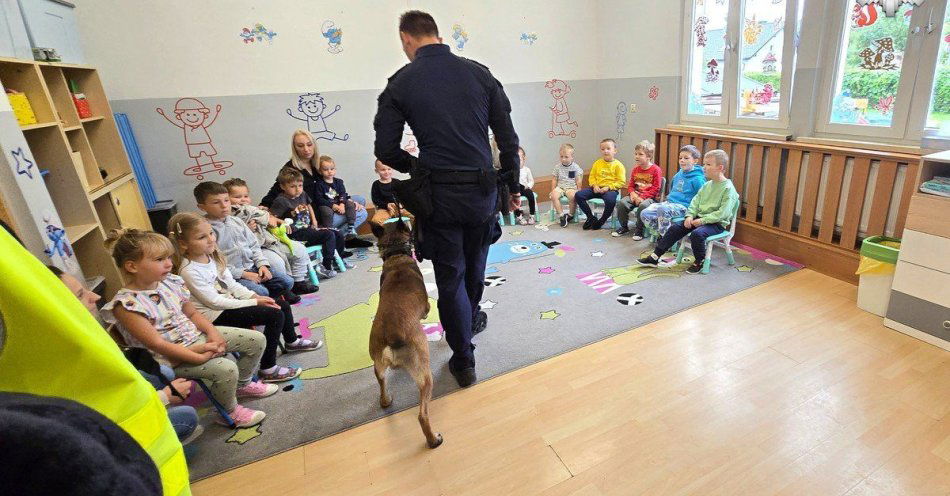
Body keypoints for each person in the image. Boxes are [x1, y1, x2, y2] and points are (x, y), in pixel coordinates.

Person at [373, 10, 520, 387]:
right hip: (483, 193)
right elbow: (508, 139)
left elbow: (386, 149)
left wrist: (419, 168)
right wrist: (513, 186)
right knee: (475, 269)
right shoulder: (480, 73)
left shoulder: (401, 83)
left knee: (450, 277)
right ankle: (469, 321)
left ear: (406, 39)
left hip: (438, 197)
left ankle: (464, 359)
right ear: (436, 35)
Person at [100, 228, 275, 428]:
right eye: (159, 259)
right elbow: (156, 344)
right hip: (169, 357)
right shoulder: (126, 305)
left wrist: (213, 333)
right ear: (132, 266)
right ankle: (230, 410)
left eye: (168, 257)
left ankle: (242, 384)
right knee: (226, 368)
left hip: (195, 337)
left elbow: (192, 314)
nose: (169, 263)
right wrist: (196, 356)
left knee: (256, 340)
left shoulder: (170, 282)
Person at [47, 264, 203, 445]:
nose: (96, 296)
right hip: (103, 432)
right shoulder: (73, 359)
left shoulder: (79, 336)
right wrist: (164, 397)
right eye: (81, 295)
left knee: (163, 373)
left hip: (114, 401)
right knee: (187, 417)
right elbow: (104, 416)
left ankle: (155, 415)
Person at [168, 212, 322, 383]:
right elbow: (214, 302)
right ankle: (268, 367)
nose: (211, 239)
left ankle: (291, 341)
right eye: (201, 237)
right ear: (183, 244)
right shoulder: (189, 270)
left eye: (211, 233)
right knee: (274, 314)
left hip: (228, 304)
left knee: (280, 305)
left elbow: (232, 285)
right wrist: (255, 301)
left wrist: (253, 295)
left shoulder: (212, 257)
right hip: (214, 315)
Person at [260, 129, 372, 249]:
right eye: (300, 146)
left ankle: (347, 237)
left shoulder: (317, 164)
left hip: (327, 201)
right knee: (362, 213)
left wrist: (346, 201)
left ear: (314, 145)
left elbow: (332, 187)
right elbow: (275, 190)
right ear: (295, 148)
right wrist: (263, 208)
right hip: (316, 213)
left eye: (309, 144)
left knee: (359, 200)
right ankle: (339, 238)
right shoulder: (291, 169)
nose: (306, 149)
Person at [194, 181, 300, 303]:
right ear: (202, 207)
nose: (224, 206)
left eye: (226, 200)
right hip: (233, 275)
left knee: (287, 282)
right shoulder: (207, 230)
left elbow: (254, 246)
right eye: (216, 202)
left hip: (253, 267)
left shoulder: (237, 221)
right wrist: (243, 274)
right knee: (261, 291)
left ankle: (267, 300)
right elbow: (215, 262)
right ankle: (262, 301)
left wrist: (262, 264)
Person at [637, 149, 739, 274]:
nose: (703, 167)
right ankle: (655, 257)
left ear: (720, 167)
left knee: (697, 234)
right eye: (704, 164)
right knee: (675, 229)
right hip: (698, 218)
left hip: (716, 223)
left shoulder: (728, 189)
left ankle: (699, 261)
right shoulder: (707, 185)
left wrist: (702, 221)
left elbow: (722, 213)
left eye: (708, 164)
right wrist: (690, 215)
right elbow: (695, 202)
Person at [224, 177, 319, 294]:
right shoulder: (233, 215)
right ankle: (284, 289)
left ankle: (299, 282)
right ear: (226, 199)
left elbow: (267, 218)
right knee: (276, 263)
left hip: (272, 241)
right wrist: (247, 228)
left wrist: (271, 217)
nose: (243, 200)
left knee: (299, 250)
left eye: (246, 196)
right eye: (237, 197)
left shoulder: (253, 210)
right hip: (258, 248)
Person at [269, 167, 354, 277]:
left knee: (337, 233)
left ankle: (338, 259)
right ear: (283, 186)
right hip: (296, 233)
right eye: (292, 186)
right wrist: (284, 222)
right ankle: (326, 266)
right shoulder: (281, 201)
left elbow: (309, 205)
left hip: (308, 228)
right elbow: (271, 217)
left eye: (300, 185)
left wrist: (314, 221)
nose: (297, 189)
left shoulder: (302, 194)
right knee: (328, 235)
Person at [639, 144, 706, 239]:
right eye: (680, 158)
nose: (682, 160)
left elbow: (702, 197)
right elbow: (672, 190)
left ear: (695, 161)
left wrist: (693, 213)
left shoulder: (698, 179)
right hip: (670, 204)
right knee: (645, 213)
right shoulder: (678, 174)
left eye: (686, 158)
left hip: (685, 207)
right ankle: (665, 235)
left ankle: (665, 240)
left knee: (663, 210)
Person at [613, 140, 662, 240]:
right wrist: (632, 194)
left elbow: (656, 188)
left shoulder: (656, 169)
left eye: (640, 154)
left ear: (648, 156)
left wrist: (642, 197)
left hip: (650, 197)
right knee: (622, 203)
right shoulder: (635, 169)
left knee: (643, 206)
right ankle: (624, 226)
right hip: (635, 195)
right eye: (635, 154)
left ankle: (639, 229)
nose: (637, 156)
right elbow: (630, 185)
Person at [574, 139, 626, 230]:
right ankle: (590, 217)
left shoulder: (619, 165)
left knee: (610, 201)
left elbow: (621, 182)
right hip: (597, 188)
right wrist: (594, 185)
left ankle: (602, 220)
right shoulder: (597, 163)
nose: (605, 151)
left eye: (608, 148)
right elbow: (592, 176)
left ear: (615, 151)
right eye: (603, 149)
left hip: (610, 189)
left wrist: (608, 187)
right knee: (579, 195)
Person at [369, 159, 413, 237]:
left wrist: (402, 204)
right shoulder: (376, 184)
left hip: (400, 208)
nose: (386, 172)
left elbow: (404, 195)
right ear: (377, 171)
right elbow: (376, 200)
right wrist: (386, 205)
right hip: (385, 209)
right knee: (376, 221)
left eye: (389, 169)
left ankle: (413, 235)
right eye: (383, 170)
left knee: (417, 215)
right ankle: (387, 238)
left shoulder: (397, 182)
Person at [550, 143, 584, 228]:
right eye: (561, 157)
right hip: (560, 187)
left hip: (571, 187)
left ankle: (570, 215)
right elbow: (554, 179)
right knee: (554, 196)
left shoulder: (575, 167)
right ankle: (561, 215)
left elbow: (578, 179)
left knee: (572, 196)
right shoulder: (557, 167)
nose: (563, 159)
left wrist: (579, 189)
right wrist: (553, 189)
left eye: (566, 157)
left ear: (572, 157)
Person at [514, 146, 536, 225]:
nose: (517, 162)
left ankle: (532, 215)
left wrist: (529, 186)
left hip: (525, 189)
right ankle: (519, 215)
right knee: (513, 197)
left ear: (524, 159)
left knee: (531, 195)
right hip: (516, 190)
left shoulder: (527, 170)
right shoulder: (513, 171)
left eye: (519, 160)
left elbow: (531, 180)